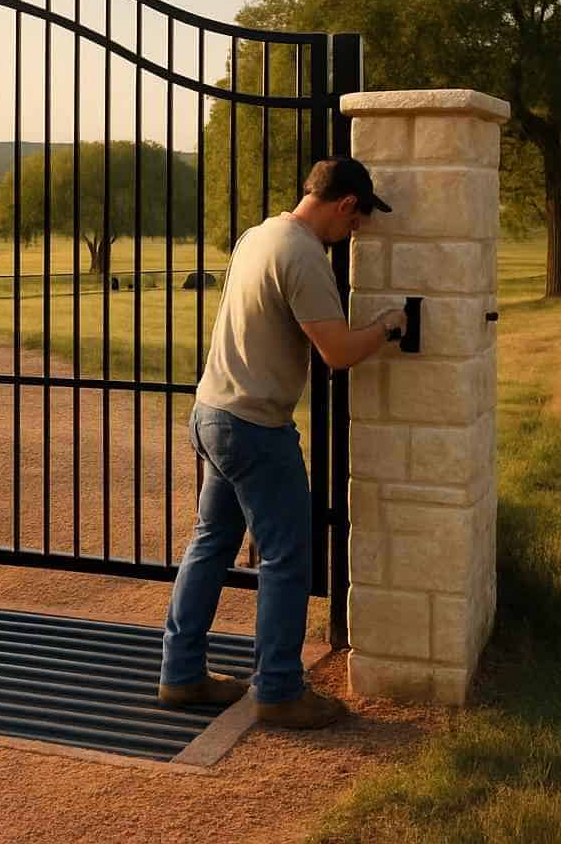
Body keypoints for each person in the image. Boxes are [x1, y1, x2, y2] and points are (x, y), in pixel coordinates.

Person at [157, 154, 406, 729]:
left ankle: (181, 674)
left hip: (211, 411)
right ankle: (278, 690)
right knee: (288, 557)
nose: (357, 231)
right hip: (254, 427)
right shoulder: (303, 255)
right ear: (345, 204)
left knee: (211, 545)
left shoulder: (259, 235)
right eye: (358, 220)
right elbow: (338, 353)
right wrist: (390, 325)